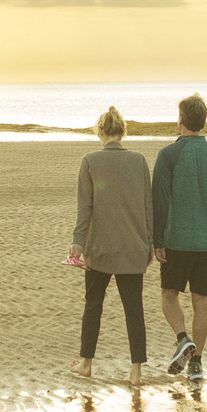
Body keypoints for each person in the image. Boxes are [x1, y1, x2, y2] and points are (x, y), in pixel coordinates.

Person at [152, 94, 207, 380]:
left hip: (176, 241)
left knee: (168, 296)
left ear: (180, 121)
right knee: (200, 301)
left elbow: (160, 200)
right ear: (203, 121)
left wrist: (157, 239)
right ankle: (196, 364)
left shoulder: (168, 155)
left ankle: (182, 339)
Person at [69, 106, 153, 385]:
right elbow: (147, 207)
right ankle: (136, 371)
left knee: (93, 304)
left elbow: (85, 208)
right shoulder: (139, 160)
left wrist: (78, 242)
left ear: (101, 131)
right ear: (123, 132)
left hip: (100, 248)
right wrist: (151, 244)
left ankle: (86, 363)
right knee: (134, 309)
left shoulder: (90, 161)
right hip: (133, 246)